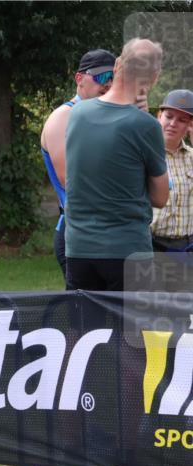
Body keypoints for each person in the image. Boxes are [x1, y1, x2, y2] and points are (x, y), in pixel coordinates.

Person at [64, 38, 169, 291]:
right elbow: (160, 197)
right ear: (153, 78)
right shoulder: (146, 126)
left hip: (78, 248)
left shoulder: (77, 113)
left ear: (118, 64)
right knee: (130, 329)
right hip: (127, 251)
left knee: (83, 329)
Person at [40, 49, 116, 276]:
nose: (108, 84)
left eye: (114, 78)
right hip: (79, 233)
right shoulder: (63, 118)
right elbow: (71, 182)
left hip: (111, 234)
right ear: (79, 79)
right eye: (102, 77)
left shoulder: (109, 119)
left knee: (117, 311)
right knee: (84, 311)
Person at [150, 89, 193, 252]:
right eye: (168, 116)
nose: (173, 123)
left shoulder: (191, 157)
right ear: (159, 116)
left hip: (188, 247)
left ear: (190, 125)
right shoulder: (145, 156)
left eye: (182, 120)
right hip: (153, 245)